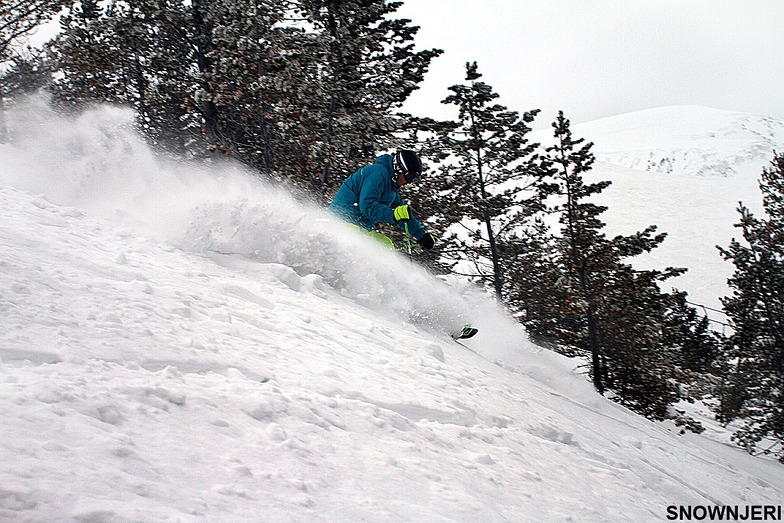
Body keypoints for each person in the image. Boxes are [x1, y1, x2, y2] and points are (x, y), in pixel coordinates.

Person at [328, 150, 436, 250]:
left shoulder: (391, 188)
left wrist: (421, 236)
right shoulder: (378, 174)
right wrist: (394, 215)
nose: (410, 182)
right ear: (399, 169)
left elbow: (404, 215)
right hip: (341, 224)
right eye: (410, 177)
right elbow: (367, 206)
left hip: (358, 227)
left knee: (386, 245)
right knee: (379, 249)